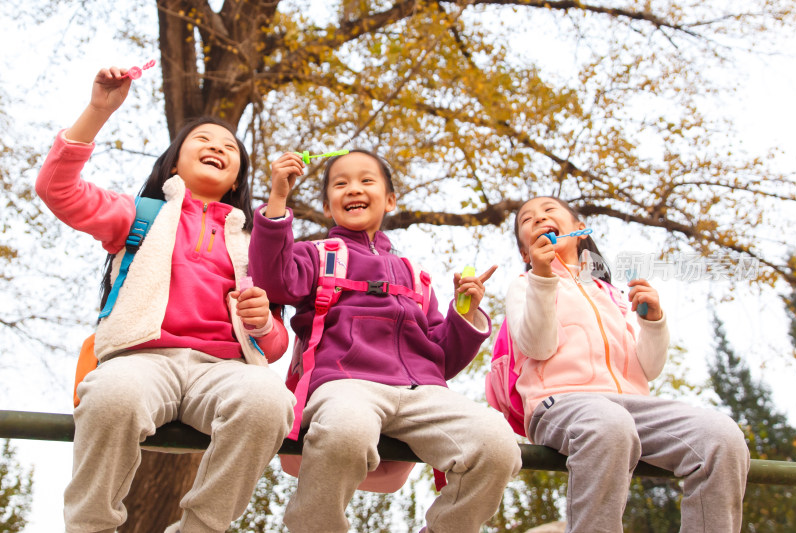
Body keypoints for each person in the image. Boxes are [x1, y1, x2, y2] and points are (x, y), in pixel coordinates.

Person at [35, 66, 296, 533]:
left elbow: (273, 346)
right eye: (204, 139)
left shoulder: (255, 246)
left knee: (268, 401)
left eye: (229, 147)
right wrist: (98, 111)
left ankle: (202, 526)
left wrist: (264, 325)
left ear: (237, 180)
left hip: (222, 371)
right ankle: (90, 526)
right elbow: (59, 191)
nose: (217, 146)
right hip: (143, 359)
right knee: (113, 396)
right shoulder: (138, 215)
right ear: (174, 163)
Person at [249, 150, 522, 533]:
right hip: (346, 384)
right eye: (340, 184)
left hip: (422, 392)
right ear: (328, 207)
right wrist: (278, 202)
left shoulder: (415, 276)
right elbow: (272, 278)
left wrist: (465, 315)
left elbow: (441, 358)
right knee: (346, 429)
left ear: (390, 200)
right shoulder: (317, 256)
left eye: (366, 180)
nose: (353, 189)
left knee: (497, 444)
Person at [505, 196, 750, 533]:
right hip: (561, 405)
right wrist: (543, 278)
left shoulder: (613, 295)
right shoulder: (524, 287)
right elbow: (538, 346)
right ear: (525, 253)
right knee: (610, 423)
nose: (539, 219)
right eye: (527, 221)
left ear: (579, 231)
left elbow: (648, 367)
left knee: (721, 437)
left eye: (549, 211)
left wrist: (653, 322)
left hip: (633, 409)